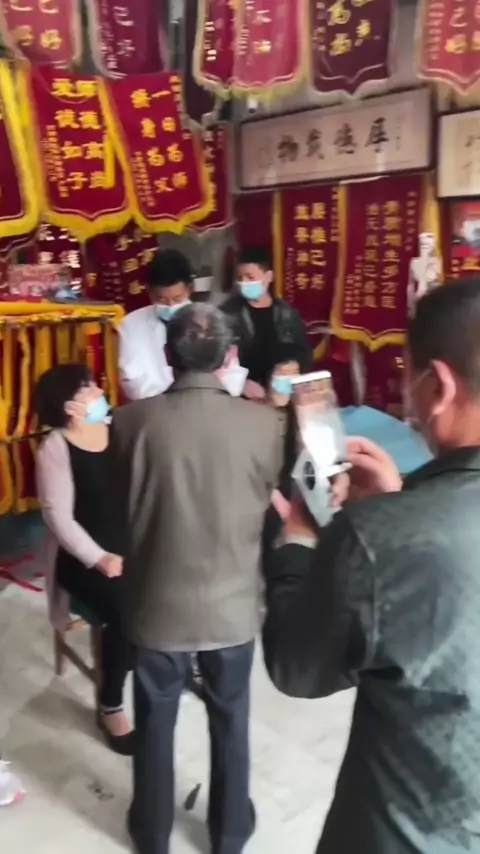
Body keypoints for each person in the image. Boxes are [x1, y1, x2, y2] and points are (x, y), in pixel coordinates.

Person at [263, 276, 480, 854]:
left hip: (401, 833)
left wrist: (298, 539)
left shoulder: (377, 538)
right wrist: (404, 500)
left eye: (410, 377)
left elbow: (298, 667)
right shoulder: (392, 528)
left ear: (439, 386)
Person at [110, 303, 283, 854]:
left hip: (157, 603)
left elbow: (122, 509)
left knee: (154, 721)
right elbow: (264, 500)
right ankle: (230, 832)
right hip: (233, 603)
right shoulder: (265, 424)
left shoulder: (130, 423)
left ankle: (152, 831)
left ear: (169, 355)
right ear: (229, 355)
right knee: (232, 718)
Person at [35, 364, 133, 756]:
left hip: (130, 546)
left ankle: (155, 661)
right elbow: (58, 518)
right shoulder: (56, 448)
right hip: (84, 558)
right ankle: (111, 703)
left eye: (93, 384)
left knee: (170, 580)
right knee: (125, 609)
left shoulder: (118, 428)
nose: (98, 391)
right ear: (70, 407)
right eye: (87, 389)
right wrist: (99, 558)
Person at [220, 246, 312, 400]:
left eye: (250, 278)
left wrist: (295, 364)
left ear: (268, 276)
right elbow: (215, 360)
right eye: (240, 278)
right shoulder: (226, 314)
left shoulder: (286, 313)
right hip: (241, 398)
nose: (243, 283)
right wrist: (239, 383)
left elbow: (303, 351)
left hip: (280, 396)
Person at [118, 248, 193, 401]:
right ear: (149, 292)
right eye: (162, 300)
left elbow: (225, 372)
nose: (170, 305)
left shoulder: (207, 320)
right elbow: (132, 379)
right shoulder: (130, 325)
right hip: (151, 405)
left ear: (189, 289)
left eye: (177, 299)